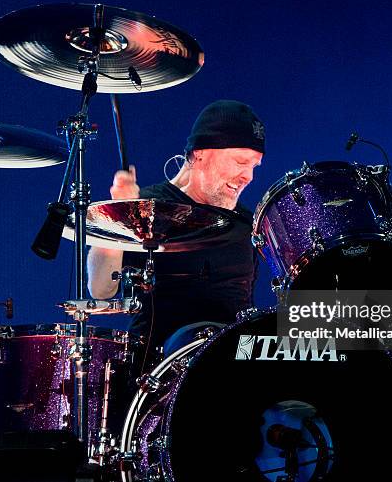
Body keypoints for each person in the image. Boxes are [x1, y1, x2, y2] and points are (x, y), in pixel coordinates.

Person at [87, 100, 265, 358]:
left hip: (235, 363)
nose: (248, 176)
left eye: (254, 166)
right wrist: (118, 214)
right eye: (240, 161)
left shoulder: (249, 225)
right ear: (200, 153)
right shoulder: (146, 208)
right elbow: (101, 290)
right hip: (158, 373)